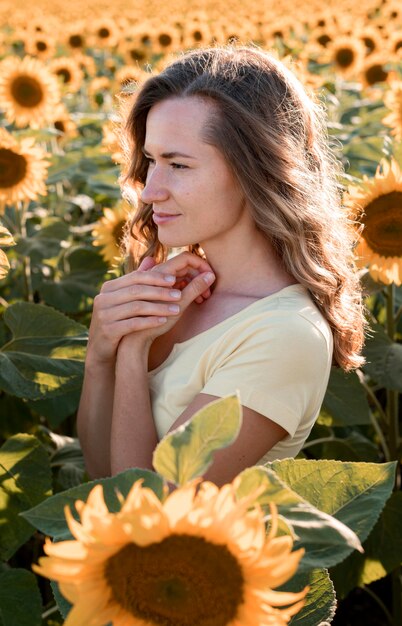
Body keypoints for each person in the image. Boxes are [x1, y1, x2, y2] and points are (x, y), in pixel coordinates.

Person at [77, 45, 365, 484]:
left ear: (256, 170)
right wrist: (101, 354)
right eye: (151, 161)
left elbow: (149, 505)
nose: (150, 190)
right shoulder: (173, 286)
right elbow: (99, 475)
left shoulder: (284, 334)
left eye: (178, 164)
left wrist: (131, 354)